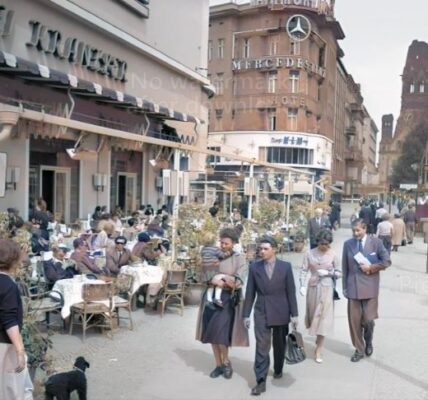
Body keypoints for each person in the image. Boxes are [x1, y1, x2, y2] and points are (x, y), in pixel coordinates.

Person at [243, 236, 298, 396]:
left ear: (274, 249)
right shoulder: (254, 268)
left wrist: (294, 314)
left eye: (265, 249)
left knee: (279, 344)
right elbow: (250, 292)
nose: (262, 251)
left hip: (281, 310)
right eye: (260, 249)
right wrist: (246, 314)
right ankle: (260, 381)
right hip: (262, 311)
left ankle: (279, 368)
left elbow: (291, 292)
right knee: (262, 346)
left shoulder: (285, 267)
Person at [195, 228, 249, 380]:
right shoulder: (213, 254)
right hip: (211, 299)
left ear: (233, 243)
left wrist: (225, 279)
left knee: (221, 334)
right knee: (212, 333)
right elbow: (200, 274)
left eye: (226, 243)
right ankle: (218, 365)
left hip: (227, 300)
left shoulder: (239, 258)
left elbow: (240, 279)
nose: (223, 245)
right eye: (221, 242)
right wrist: (210, 279)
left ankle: (226, 362)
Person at [342, 219, 391, 362]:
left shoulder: (376, 243)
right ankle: (359, 349)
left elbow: (387, 261)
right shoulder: (348, 244)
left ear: (365, 229)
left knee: (369, 320)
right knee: (354, 321)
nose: (355, 233)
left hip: (370, 287)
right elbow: (345, 268)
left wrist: (371, 268)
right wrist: (345, 287)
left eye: (358, 230)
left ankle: (368, 340)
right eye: (353, 231)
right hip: (353, 287)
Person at [299, 229, 341, 363]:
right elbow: (304, 270)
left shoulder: (333, 254)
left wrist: (330, 273)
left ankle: (318, 349)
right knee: (313, 316)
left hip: (327, 288)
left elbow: (340, 273)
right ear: (318, 242)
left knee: (324, 317)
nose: (325, 246)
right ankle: (317, 336)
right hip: (313, 288)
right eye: (323, 243)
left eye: (328, 244)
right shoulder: (309, 253)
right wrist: (302, 285)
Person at [0, 239, 34, 400]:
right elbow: (9, 320)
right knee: (11, 391)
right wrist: (20, 350)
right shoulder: (8, 285)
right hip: (4, 345)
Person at [200, 232, 231, 308]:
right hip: (213, 269)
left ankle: (209, 300)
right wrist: (229, 253)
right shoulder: (215, 249)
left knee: (210, 285)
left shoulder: (203, 249)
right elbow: (222, 255)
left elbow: (202, 256)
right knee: (219, 282)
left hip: (205, 270)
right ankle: (217, 298)